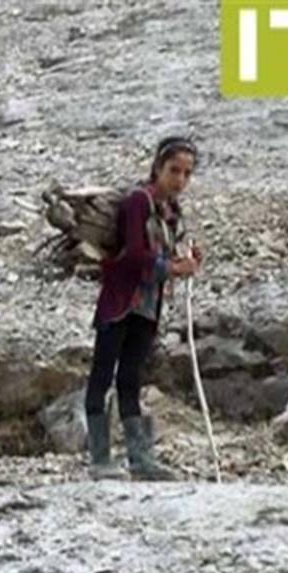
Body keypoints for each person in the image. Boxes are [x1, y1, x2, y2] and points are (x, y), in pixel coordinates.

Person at [85, 137, 203, 480]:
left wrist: (187, 261)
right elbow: (135, 255)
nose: (180, 180)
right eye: (174, 171)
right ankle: (99, 460)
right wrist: (174, 268)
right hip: (121, 301)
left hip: (147, 306)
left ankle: (139, 459)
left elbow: (163, 254)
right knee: (102, 374)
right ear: (158, 168)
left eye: (187, 174)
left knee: (130, 377)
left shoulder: (171, 213)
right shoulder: (138, 202)